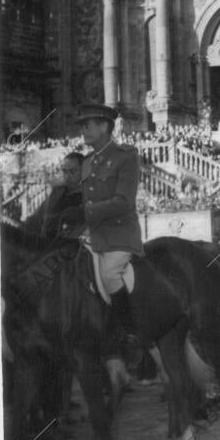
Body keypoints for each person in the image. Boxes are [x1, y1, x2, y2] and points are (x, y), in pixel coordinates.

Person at [76, 103, 144, 350]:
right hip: (92, 234)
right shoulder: (86, 162)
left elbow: (124, 201)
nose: (83, 130)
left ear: (105, 126)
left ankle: (128, 330)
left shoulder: (126, 155)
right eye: (82, 126)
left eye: (88, 125)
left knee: (109, 275)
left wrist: (87, 212)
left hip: (119, 234)